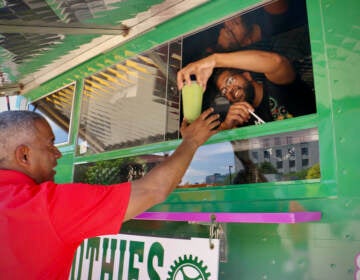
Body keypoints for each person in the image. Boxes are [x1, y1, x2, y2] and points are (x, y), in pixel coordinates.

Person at [0, 109, 220, 279]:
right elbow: (153, 189)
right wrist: (191, 141)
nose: (58, 153)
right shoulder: (45, 207)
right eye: (50, 144)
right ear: (24, 156)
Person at [177, 49, 316, 130]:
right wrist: (227, 126)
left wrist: (214, 60)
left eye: (230, 80)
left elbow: (277, 63)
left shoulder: (278, 86)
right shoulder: (241, 119)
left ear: (247, 75)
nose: (230, 90)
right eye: (224, 91)